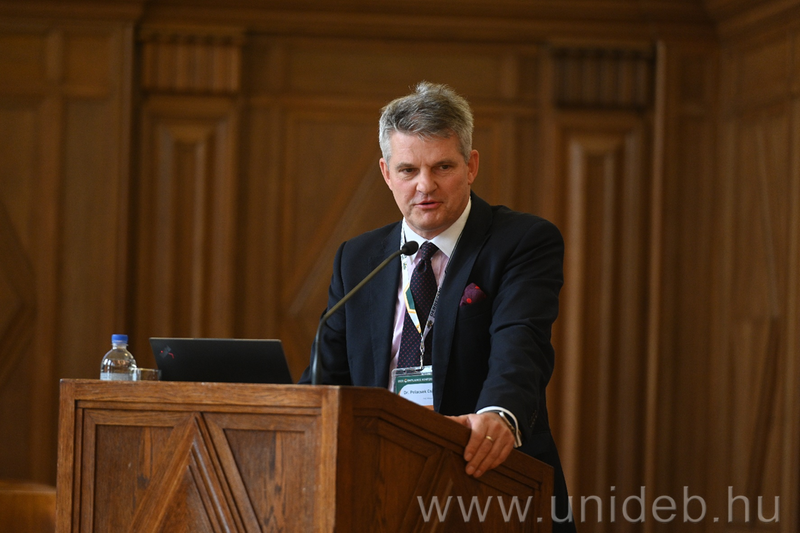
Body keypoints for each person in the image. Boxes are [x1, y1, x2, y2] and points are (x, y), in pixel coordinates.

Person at [300, 81, 575, 531]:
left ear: (471, 166)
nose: (425, 186)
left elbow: (521, 342)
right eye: (408, 170)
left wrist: (499, 414)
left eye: (442, 166)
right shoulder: (358, 259)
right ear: (386, 173)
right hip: (373, 485)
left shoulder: (521, 242)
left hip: (485, 478)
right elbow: (325, 380)